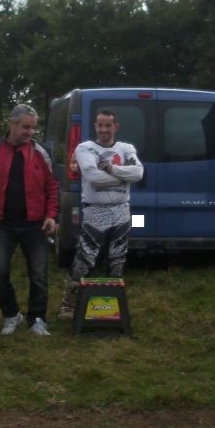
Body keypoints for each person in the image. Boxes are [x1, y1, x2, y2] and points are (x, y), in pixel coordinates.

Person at [0, 104, 59, 336]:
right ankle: (11, 314)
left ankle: (38, 318)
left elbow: (52, 186)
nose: (30, 132)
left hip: (35, 224)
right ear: (11, 124)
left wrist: (52, 215)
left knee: (39, 275)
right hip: (3, 224)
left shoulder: (40, 152)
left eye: (33, 128)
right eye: (25, 127)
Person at [59, 109, 144, 319]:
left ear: (116, 127)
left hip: (122, 210)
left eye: (108, 125)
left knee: (117, 261)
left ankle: (111, 307)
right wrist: (125, 176)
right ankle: (68, 305)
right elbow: (93, 178)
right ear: (95, 126)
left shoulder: (127, 148)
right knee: (85, 259)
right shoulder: (85, 148)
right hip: (95, 210)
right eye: (100, 125)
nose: (104, 129)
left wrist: (111, 169)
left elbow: (139, 173)